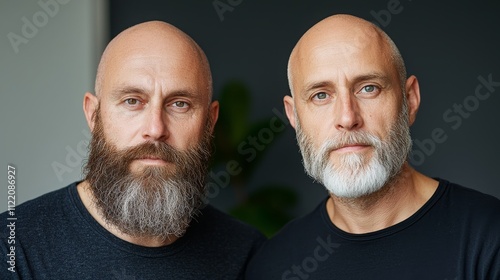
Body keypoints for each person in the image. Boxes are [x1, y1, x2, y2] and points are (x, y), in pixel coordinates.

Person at [1, 21, 265, 279]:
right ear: (94, 115)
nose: (155, 129)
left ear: (210, 122)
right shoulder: (12, 250)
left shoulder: (248, 256)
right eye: (132, 101)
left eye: (180, 104)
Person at [246, 14, 500, 279]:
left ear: (409, 100)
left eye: (369, 88)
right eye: (321, 95)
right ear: (294, 116)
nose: (347, 118)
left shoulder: (489, 239)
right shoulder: (272, 266)